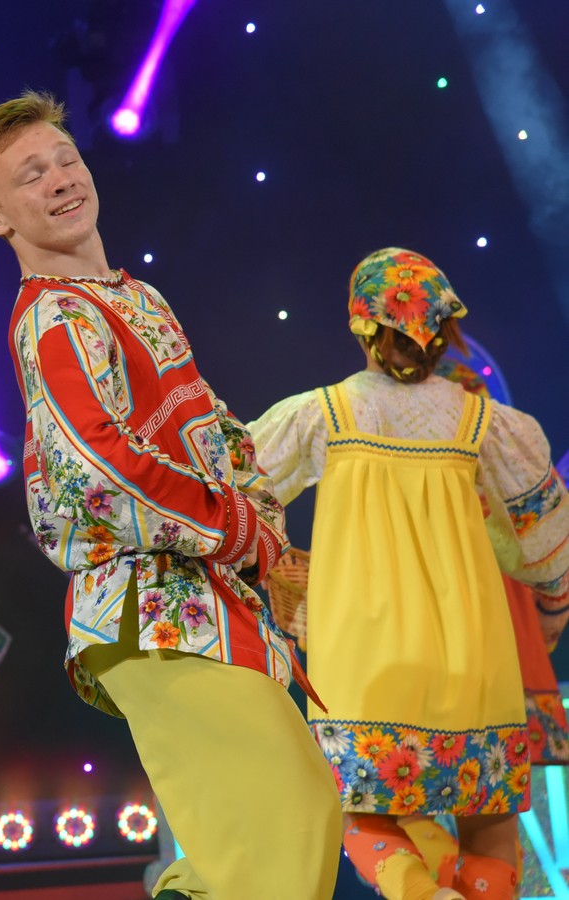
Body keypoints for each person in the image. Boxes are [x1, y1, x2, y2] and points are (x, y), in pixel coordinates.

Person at [0, 91, 341, 899]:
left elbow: (214, 429)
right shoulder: (55, 319)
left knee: (255, 834)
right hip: (151, 605)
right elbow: (97, 467)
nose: (60, 179)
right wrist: (235, 525)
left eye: (66, 159)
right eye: (30, 176)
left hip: (199, 597)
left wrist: (262, 530)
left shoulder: (138, 299)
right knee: (288, 819)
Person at [248, 247, 569, 899]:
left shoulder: (323, 414)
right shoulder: (484, 424)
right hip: (473, 658)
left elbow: (231, 500)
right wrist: (549, 598)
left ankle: (422, 894)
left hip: (366, 662)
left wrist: (277, 565)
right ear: (446, 329)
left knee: (365, 812)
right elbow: (546, 548)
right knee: (488, 822)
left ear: (360, 324)